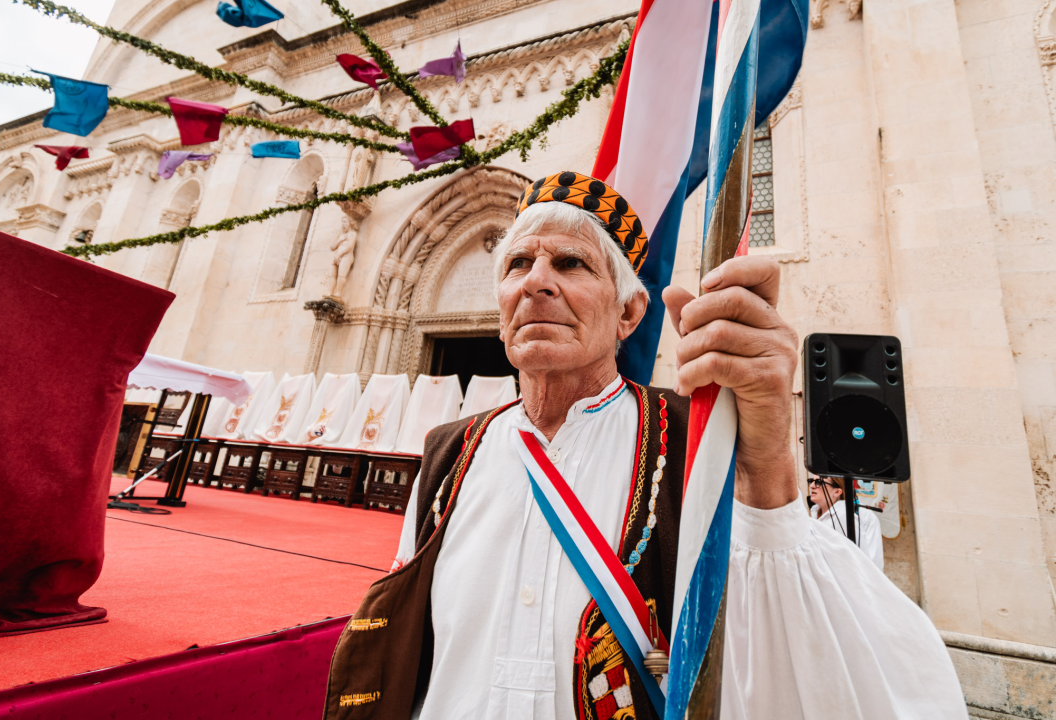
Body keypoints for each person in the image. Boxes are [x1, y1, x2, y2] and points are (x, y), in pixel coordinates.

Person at [323, 172, 967, 719]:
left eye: (571, 264)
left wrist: (767, 465)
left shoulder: (696, 439)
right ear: (499, 307)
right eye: (518, 263)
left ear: (630, 314)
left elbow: (791, 645)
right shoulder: (447, 453)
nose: (536, 282)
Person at [809, 476, 885, 569]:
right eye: (811, 481)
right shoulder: (814, 513)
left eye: (819, 482)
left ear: (837, 492)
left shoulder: (843, 516)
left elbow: (861, 559)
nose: (812, 486)